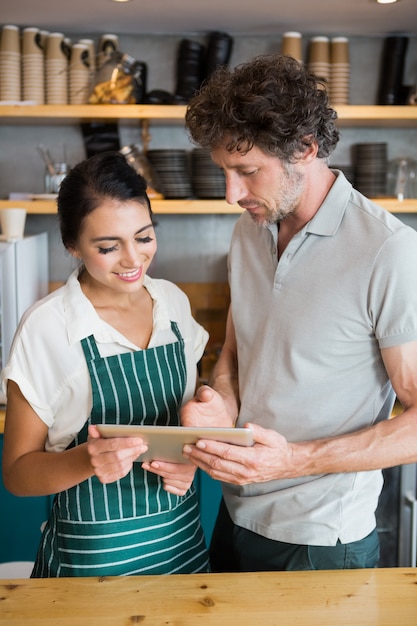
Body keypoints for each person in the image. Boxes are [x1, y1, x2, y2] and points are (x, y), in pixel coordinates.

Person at [181, 53, 417, 572]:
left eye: (246, 172)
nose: (230, 194)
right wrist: (219, 400)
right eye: (224, 172)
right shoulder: (249, 229)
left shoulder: (388, 250)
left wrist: (293, 460)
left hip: (321, 540)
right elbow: (239, 349)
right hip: (234, 511)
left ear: (305, 149)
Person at [1, 151, 210, 577]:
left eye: (144, 237)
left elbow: (193, 413)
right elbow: (18, 474)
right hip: (93, 566)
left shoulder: (172, 303)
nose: (133, 259)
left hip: (182, 550)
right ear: (72, 245)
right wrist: (87, 460)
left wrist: (192, 456)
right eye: (109, 247)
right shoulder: (48, 327)